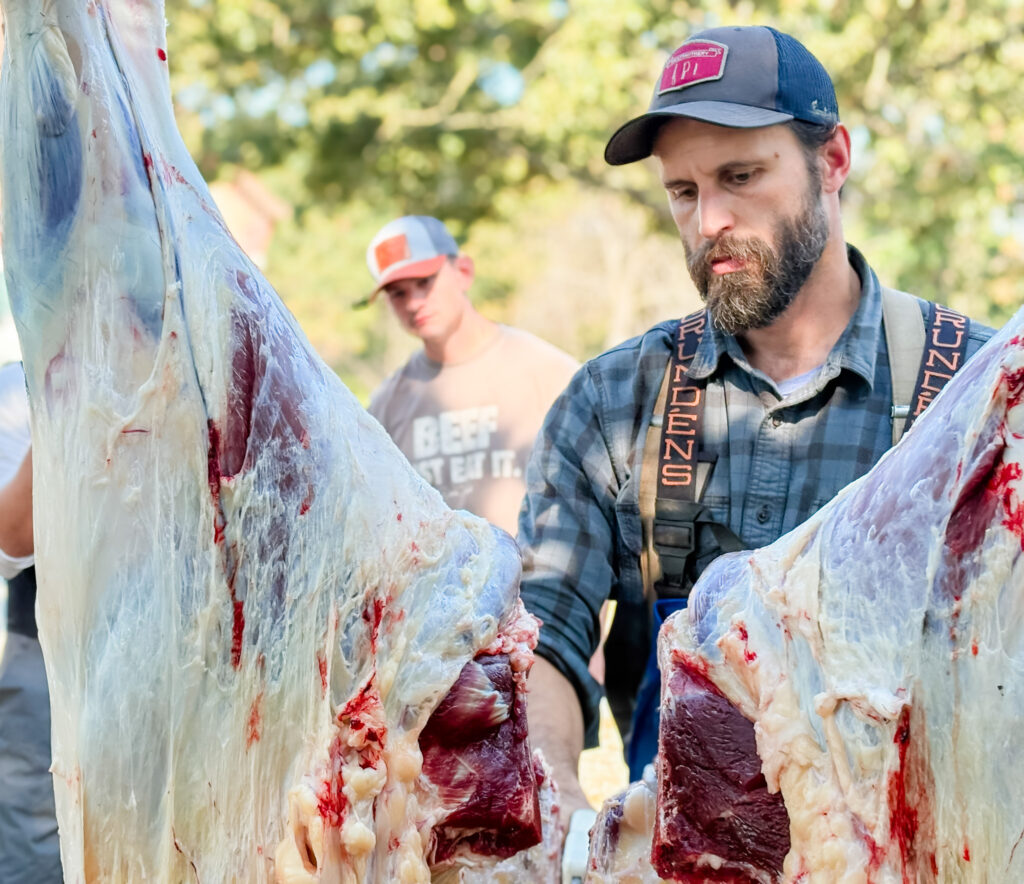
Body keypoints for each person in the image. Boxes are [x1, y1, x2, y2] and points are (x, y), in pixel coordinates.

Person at [517, 23, 995, 835]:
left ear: (833, 160)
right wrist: (553, 792)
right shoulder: (613, 403)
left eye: (741, 176)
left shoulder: (972, 392)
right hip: (679, 856)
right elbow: (542, 643)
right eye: (684, 191)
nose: (709, 222)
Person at [364, 215, 579, 537]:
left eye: (425, 282)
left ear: (463, 271)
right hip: (439, 586)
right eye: (397, 293)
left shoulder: (548, 371)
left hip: (535, 583)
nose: (413, 302)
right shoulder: (386, 407)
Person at [0, 361, 62, 883]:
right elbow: (12, 538)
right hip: (45, 661)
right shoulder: (15, 391)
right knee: (38, 847)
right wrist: (67, 405)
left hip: (170, 666)